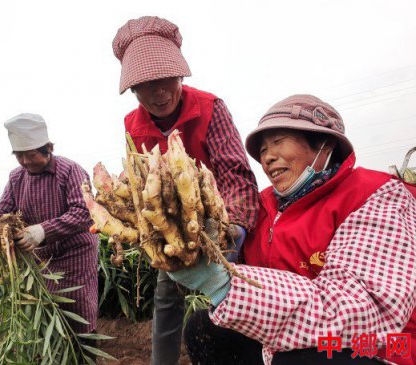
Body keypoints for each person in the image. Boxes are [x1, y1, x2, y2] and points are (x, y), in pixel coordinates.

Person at [168, 94, 416, 365]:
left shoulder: (374, 194)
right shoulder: (261, 205)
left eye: (278, 142)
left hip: (384, 345)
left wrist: (226, 284)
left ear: (325, 143)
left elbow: (360, 313)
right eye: (262, 151)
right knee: (202, 328)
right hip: (292, 336)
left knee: (298, 359)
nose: (268, 158)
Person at [112, 16, 259, 364]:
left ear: (180, 76)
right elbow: (138, 177)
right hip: (171, 230)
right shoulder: (132, 125)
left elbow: (235, 171)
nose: (158, 91)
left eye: (166, 79)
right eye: (146, 84)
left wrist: (232, 229)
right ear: (134, 91)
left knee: (232, 294)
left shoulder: (210, 107)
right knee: (166, 297)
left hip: (222, 223)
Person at [0, 113, 98, 333]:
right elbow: (3, 217)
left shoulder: (70, 171)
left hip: (75, 255)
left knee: (77, 308)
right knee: (45, 314)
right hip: (39, 258)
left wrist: (43, 230)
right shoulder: (17, 178)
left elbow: (84, 212)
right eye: (19, 156)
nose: (25, 162)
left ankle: (84, 352)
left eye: (31, 155)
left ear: (47, 148)